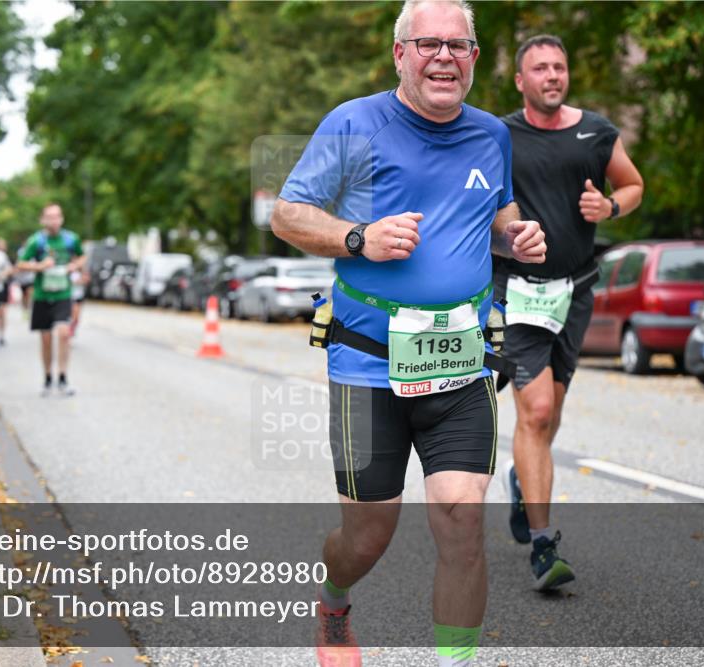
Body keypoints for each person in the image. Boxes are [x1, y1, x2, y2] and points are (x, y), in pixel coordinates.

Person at [270, 2, 546, 666]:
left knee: (460, 518)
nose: (445, 56)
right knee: (367, 536)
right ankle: (334, 599)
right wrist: (358, 237)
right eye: (428, 44)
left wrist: (517, 234)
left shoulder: (491, 136)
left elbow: (497, 211)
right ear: (400, 55)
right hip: (367, 366)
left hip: (462, 362)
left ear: (476, 58)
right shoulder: (353, 123)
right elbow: (287, 214)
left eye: (460, 45)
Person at [494, 34, 643, 591]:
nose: (552, 76)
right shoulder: (500, 136)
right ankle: (543, 546)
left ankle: (521, 479)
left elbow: (632, 185)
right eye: (540, 68)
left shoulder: (597, 132)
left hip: (576, 292)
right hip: (520, 292)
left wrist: (610, 206)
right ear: (520, 80)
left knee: (549, 417)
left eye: (559, 66)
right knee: (533, 413)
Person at [17, 203, 85, 396]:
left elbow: (82, 257)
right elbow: (20, 263)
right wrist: (39, 266)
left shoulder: (71, 239)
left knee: (64, 333)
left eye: (57, 216)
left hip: (63, 293)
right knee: (46, 339)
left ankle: (63, 377)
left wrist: (74, 266)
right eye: (50, 217)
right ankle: (48, 378)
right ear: (43, 220)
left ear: (61, 219)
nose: (54, 220)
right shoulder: (36, 241)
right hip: (42, 295)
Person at [69, 266, 89, 337]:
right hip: (71, 296)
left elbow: (87, 280)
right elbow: (70, 282)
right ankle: (70, 330)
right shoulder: (70, 270)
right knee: (73, 315)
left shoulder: (82, 271)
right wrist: (79, 281)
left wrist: (83, 279)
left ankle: (72, 329)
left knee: (77, 317)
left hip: (80, 296)